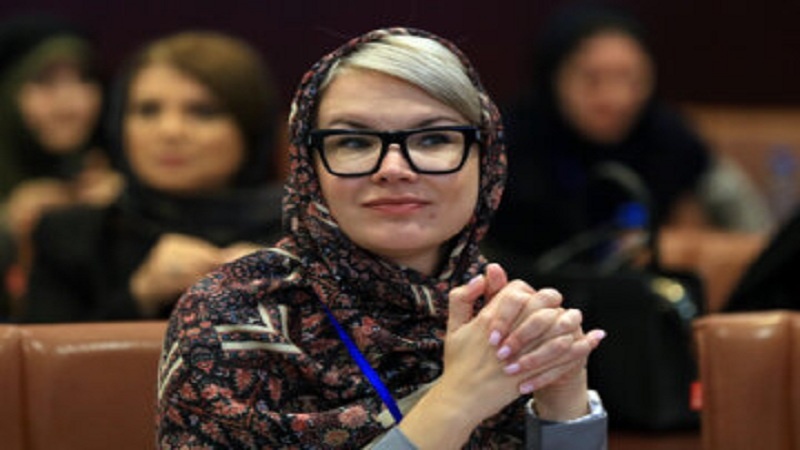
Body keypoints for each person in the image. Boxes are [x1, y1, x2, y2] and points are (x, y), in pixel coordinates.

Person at [157, 27, 608, 449]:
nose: (394, 169)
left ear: (486, 158)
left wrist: (562, 404)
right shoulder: (230, 315)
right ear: (308, 166)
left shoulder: (502, 310)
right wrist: (457, 401)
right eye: (354, 142)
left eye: (433, 139)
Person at [18, 31, 284, 323]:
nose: (170, 131)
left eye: (202, 112)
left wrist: (286, 298)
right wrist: (140, 295)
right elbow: (39, 351)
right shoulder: (69, 236)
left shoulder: (301, 237)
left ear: (250, 128)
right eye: (148, 110)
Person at [484, 4, 772, 272]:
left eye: (630, 78)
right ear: (554, 78)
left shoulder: (670, 138)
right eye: (592, 79)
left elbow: (747, 222)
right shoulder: (510, 143)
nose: (615, 98)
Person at [0, 13, 121, 318]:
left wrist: (123, 213)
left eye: (85, 79)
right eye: (44, 82)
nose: (72, 103)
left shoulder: (122, 166)